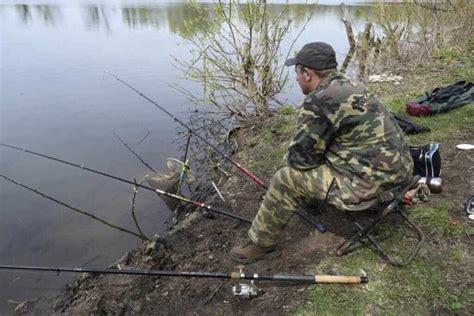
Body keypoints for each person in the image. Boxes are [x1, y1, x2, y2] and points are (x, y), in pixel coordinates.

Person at [230, 42, 414, 264]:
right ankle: (310, 200)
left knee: (286, 177)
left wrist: (289, 160)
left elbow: (299, 159)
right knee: (317, 156)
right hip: (402, 173)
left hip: (373, 188)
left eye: (297, 72)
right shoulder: (349, 85)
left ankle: (261, 244)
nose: (296, 79)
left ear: (307, 73)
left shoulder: (319, 100)